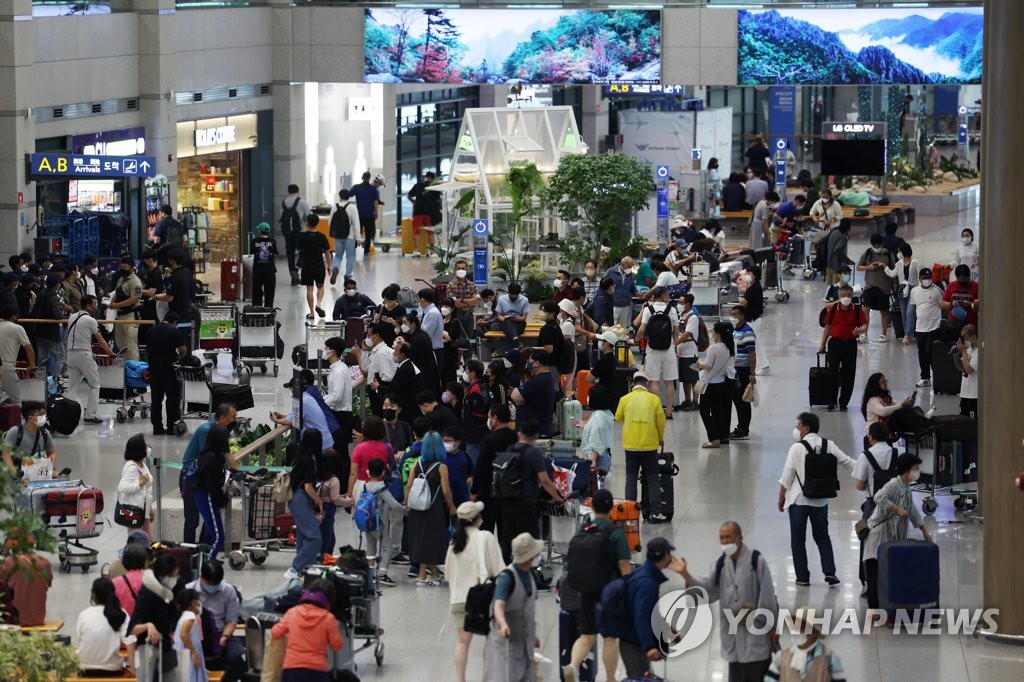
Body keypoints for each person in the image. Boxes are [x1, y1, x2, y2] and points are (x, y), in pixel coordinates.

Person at [680, 521, 778, 682]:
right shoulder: (720, 564)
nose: (725, 541)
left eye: (728, 537)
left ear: (740, 537)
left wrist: (770, 626)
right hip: (732, 635)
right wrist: (686, 575)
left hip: (756, 634)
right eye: (722, 538)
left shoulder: (756, 561)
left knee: (757, 674)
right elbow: (707, 588)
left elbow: (767, 594)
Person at [778, 412, 855, 587]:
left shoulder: (796, 448)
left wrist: (781, 497)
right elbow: (847, 461)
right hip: (821, 501)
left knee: (798, 540)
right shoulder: (829, 445)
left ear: (806, 427)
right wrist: (868, 466)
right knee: (822, 537)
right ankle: (830, 572)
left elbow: (787, 476)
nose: (796, 429)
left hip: (799, 501)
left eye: (798, 425)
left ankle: (802, 577)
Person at [562, 489, 631, 682]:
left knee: (587, 636)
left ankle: (572, 666)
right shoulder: (615, 532)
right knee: (610, 637)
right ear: (611, 507)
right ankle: (610, 679)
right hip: (610, 593)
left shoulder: (582, 530)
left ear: (592, 506)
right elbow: (624, 564)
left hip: (586, 591)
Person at [862, 454, 933, 616]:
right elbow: (878, 496)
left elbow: (912, 509)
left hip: (890, 537)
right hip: (878, 534)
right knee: (874, 571)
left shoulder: (906, 487)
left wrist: (924, 530)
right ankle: (873, 608)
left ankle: (885, 605)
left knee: (885, 571)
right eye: (915, 468)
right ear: (907, 470)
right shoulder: (894, 484)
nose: (917, 472)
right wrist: (896, 509)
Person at [606, 537, 687, 680]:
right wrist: (649, 647)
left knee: (643, 677)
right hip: (634, 642)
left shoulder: (643, 572)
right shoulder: (647, 583)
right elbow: (641, 617)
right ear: (665, 555)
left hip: (634, 638)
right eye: (669, 553)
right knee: (639, 678)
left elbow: (652, 613)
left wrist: (667, 629)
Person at [444, 501, 504, 682]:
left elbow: (447, 574)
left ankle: (461, 679)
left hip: (458, 599)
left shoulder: (454, 543)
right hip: (481, 598)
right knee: (490, 641)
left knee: (462, 642)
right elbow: (499, 571)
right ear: (476, 519)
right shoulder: (486, 537)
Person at [495, 419, 566, 561]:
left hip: (506, 497)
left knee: (507, 536)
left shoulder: (510, 448)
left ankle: (503, 565)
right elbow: (544, 480)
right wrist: (557, 497)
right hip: (525, 500)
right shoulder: (534, 452)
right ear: (536, 435)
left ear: (519, 433)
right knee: (530, 537)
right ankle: (531, 568)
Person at [484, 533, 543, 682]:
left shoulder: (529, 574)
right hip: (506, 644)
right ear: (529, 556)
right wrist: (503, 625)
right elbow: (498, 605)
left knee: (526, 675)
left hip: (524, 640)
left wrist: (532, 635)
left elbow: (527, 608)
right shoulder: (507, 577)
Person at [178, 403, 237, 543]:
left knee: (211, 515)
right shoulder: (206, 430)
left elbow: (227, 454)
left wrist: (237, 472)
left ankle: (204, 547)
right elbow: (209, 459)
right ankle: (189, 549)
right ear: (223, 418)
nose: (235, 420)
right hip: (192, 476)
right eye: (233, 417)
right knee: (192, 519)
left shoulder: (220, 430)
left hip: (205, 475)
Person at [405, 431, 457, 586]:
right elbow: (446, 491)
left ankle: (433, 574)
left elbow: (408, 485)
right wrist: (452, 506)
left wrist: (407, 503)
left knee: (421, 537)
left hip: (417, 507)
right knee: (431, 540)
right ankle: (422, 576)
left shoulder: (417, 463)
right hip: (433, 508)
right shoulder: (442, 467)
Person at [852, 422, 898, 591]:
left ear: (870, 437)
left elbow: (859, 485)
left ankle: (867, 583)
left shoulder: (866, 456)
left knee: (868, 543)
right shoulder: (896, 453)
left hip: (872, 505)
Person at [615, 372, 667, 522]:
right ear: (647, 384)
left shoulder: (624, 399)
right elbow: (661, 422)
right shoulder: (654, 400)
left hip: (630, 445)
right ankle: (655, 513)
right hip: (650, 446)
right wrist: (660, 438)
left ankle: (630, 512)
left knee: (631, 478)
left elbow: (618, 418)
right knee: (652, 479)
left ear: (633, 384)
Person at [270, 579, 344, 682]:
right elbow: (337, 645)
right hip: (317, 670)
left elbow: (275, 633)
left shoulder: (292, 613)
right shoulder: (328, 618)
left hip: (292, 669)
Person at [126, 552, 180, 679]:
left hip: (166, 649)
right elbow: (132, 628)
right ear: (163, 575)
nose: (176, 578)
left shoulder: (168, 591)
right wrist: (148, 626)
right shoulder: (147, 594)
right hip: (148, 650)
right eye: (173, 575)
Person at [64, 295, 114, 424]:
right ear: (87, 305)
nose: (96, 305)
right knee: (95, 384)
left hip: (70, 354)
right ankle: (90, 414)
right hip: (84, 355)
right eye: (94, 303)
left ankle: (67, 413)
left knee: (71, 385)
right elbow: (101, 340)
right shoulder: (90, 320)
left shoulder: (72, 317)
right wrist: (110, 353)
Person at [284, 430, 327, 581]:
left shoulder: (298, 457)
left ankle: (304, 567)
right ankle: (296, 567)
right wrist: (318, 500)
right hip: (302, 499)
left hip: (295, 499)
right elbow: (308, 487)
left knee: (303, 535)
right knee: (315, 537)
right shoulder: (309, 461)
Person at [818, 285, 867, 411]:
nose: (846, 297)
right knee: (832, 373)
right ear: (839, 296)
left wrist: (860, 330)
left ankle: (844, 402)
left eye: (849, 295)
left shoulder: (856, 309)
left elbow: (865, 325)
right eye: (843, 295)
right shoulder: (834, 309)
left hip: (850, 344)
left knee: (849, 374)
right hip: (834, 344)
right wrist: (822, 344)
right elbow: (827, 327)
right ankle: (831, 401)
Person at [764, 608, 847, 682]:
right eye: (795, 626)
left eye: (803, 627)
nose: (797, 631)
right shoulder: (781, 657)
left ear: (815, 631)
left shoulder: (831, 659)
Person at [472, 404, 517, 534]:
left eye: (489, 417)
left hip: (489, 490)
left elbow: (481, 467)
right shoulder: (515, 437)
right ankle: (505, 554)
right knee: (506, 532)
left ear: (495, 418)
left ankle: (487, 554)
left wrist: (475, 490)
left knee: (486, 531)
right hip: (510, 490)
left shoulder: (489, 440)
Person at [359, 457, 403, 586]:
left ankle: (370, 575)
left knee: (371, 549)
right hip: (379, 523)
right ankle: (382, 574)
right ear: (383, 473)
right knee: (388, 548)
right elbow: (394, 505)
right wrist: (406, 511)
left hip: (367, 522)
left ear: (368, 472)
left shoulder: (365, 487)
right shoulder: (382, 489)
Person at [75, 577, 131, 677]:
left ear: (93, 594)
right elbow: (130, 641)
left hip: (85, 669)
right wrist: (133, 668)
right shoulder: (120, 613)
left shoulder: (84, 614)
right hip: (112, 669)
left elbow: (80, 642)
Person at [637, 288, 678, 418]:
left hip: (652, 349)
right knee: (669, 382)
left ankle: (658, 410)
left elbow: (642, 329)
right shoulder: (672, 310)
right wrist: (674, 346)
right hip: (668, 349)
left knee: (654, 381)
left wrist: (637, 339)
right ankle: (669, 411)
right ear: (664, 296)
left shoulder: (648, 310)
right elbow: (676, 332)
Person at [272, 369, 336, 452]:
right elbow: (299, 416)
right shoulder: (307, 397)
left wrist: (276, 420)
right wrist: (282, 416)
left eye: (291, 388)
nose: (290, 391)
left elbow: (291, 421)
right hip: (324, 440)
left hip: (320, 444)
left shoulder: (301, 401)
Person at [194, 424, 231, 560]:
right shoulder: (212, 459)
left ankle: (205, 561)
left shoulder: (209, 455)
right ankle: (206, 565)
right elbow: (212, 485)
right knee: (218, 536)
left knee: (211, 534)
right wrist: (222, 501)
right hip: (207, 497)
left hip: (206, 496)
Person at [698, 321, 736, 448]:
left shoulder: (713, 348)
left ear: (718, 333)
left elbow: (708, 366)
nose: (711, 332)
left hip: (709, 383)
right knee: (716, 411)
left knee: (704, 411)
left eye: (712, 330)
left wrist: (699, 364)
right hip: (720, 382)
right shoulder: (728, 347)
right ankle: (718, 436)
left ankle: (713, 438)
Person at [2, 400, 57, 479]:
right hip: (20, 474)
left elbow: (52, 453)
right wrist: (14, 473)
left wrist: (50, 469)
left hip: (39, 474)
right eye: (40, 414)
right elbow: (6, 454)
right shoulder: (15, 432)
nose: (44, 417)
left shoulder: (45, 433)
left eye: (44, 414)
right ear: (30, 418)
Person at [855, 234, 895, 342]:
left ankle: (883, 334)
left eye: (878, 245)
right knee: (865, 309)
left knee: (884, 312)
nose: (876, 247)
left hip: (884, 287)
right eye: (874, 245)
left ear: (882, 244)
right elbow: (858, 267)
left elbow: (893, 271)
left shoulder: (888, 254)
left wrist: (894, 286)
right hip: (869, 286)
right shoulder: (868, 253)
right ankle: (864, 333)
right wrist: (868, 267)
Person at [510, 350, 558, 438]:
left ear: (536, 363)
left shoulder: (539, 381)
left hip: (534, 434)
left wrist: (520, 399)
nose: (527, 363)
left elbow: (514, 395)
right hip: (535, 431)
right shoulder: (544, 378)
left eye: (529, 361)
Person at [909, 268, 944, 389]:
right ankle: (925, 378)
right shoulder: (914, 291)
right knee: (922, 353)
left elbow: (942, 305)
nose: (927, 280)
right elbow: (914, 306)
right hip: (920, 328)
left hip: (934, 327)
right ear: (919, 279)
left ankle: (939, 377)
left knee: (931, 352)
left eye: (929, 278)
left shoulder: (936, 291)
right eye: (925, 278)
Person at [118, 434, 156, 539]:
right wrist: (139, 484)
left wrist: (150, 510)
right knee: (139, 542)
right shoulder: (132, 467)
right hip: (134, 512)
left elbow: (146, 491)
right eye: (145, 446)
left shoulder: (142, 465)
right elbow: (122, 487)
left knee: (148, 540)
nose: (148, 447)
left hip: (143, 512)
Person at [0, 550, 52, 627]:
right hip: (38, 619)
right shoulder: (45, 562)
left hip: (14, 620)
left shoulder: (9, 562)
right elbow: (48, 583)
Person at [317, 449, 353, 557]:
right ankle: (324, 559)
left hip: (320, 508)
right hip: (328, 509)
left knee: (327, 535)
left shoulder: (321, 477)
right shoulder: (334, 480)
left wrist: (343, 496)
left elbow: (328, 494)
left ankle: (324, 556)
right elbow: (335, 499)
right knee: (327, 538)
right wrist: (350, 501)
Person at [729, 306, 757, 441]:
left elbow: (752, 354)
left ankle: (743, 429)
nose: (732, 317)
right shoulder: (735, 330)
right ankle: (740, 426)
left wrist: (752, 372)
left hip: (743, 370)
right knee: (737, 399)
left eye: (734, 315)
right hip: (735, 369)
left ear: (742, 316)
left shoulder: (747, 332)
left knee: (742, 401)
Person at [861, 373, 914, 445]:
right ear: (875, 384)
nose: (885, 383)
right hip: (872, 437)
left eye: (886, 381)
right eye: (883, 382)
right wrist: (901, 405)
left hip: (884, 435)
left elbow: (896, 406)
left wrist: (906, 404)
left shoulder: (886, 398)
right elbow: (883, 411)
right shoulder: (872, 400)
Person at [107, 256, 144, 360]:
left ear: (132, 268)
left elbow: (135, 298)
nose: (123, 268)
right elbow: (117, 293)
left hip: (130, 316)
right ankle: (124, 366)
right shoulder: (121, 279)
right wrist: (111, 305)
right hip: (120, 315)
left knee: (131, 345)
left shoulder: (136, 281)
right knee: (120, 344)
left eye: (125, 267)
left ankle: (134, 368)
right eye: (121, 266)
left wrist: (116, 305)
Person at [296, 214, 331, 319]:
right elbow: (327, 252)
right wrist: (329, 265)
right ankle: (318, 304)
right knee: (320, 286)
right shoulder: (322, 236)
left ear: (307, 223)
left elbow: (298, 250)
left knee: (309, 289)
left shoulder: (302, 236)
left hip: (307, 266)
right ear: (317, 223)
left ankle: (311, 313)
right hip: (319, 266)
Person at [32, 273, 66, 380]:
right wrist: (64, 316)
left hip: (40, 331)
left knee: (42, 357)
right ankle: (53, 382)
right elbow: (57, 315)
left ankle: (39, 381)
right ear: (57, 284)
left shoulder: (40, 294)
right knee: (60, 357)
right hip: (51, 332)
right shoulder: (54, 297)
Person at [886, 242, 920, 345]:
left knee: (910, 312)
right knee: (904, 313)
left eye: (899, 251)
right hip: (902, 289)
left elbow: (920, 277)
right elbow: (892, 274)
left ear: (904, 252)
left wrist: (919, 290)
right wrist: (885, 267)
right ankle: (907, 333)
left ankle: (907, 335)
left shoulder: (916, 263)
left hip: (913, 289)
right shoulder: (899, 263)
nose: (898, 253)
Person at [673, 294, 703, 411]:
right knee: (685, 378)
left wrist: (673, 344)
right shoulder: (681, 315)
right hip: (682, 353)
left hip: (691, 353)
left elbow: (686, 334)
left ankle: (696, 402)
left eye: (681, 302)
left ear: (688, 304)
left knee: (693, 379)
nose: (679, 304)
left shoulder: (693, 317)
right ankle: (687, 400)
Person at [347, 415, 391, 495]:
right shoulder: (387, 447)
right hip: (380, 486)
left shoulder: (359, 448)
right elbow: (392, 468)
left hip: (361, 486)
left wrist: (349, 493)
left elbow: (353, 473)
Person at [402, 312, 440, 397]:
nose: (402, 325)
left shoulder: (416, 339)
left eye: (405, 323)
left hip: (424, 374)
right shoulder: (422, 334)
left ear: (413, 324)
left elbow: (412, 359)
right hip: (430, 371)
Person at [579, 385, 614, 477]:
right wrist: (586, 426)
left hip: (597, 458)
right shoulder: (605, 413)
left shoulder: (598, 416)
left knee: (595, 486)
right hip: (603, 455)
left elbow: (596, 441)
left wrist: (593, 461)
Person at [173, 589, 208, 682]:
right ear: (193, 603)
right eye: (199, 600)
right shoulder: (190, 616)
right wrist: (194, 653)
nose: (201, 603)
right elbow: (183, 634)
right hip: (188, 655)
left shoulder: (185, 615)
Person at [279, 184, 309, 285]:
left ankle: (293, 277)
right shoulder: (302, 202)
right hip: (300, 232)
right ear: (298, 190)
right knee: (304, 253)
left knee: (290, 254)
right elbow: (308, 217)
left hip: (287, 232)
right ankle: (296, 270)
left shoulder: (284, 202)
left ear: (288, 191)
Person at [153, 249, 194, 322]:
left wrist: (157, 297)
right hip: (187, 310)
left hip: (177, 313)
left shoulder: (174, 276)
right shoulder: (187, 271)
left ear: (172, 261)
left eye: (168, 259)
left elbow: (169, 297)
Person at [408, 171, 442, 256]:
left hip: (418, 212)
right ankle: (432, 251)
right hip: (429, 213)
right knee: (430, 232)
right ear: (433, 179)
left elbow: (409, 195)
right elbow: (438, 201)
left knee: (416, 231)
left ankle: (417, 251)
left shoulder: (418, 185)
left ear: (426, 177)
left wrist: (414, 202)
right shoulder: (435, 188)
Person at [329, 189, 359, 284]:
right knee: (350, 256)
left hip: (338, 236)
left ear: (340, 196)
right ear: (349, 197)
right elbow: (356, 224)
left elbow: (330, 222)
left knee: (338, 256)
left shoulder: (335, 206)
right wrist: (358, 238)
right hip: (349, 237)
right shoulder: (352, 207)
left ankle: (335, 269)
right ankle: (348, 276)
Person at [351, 171, 384, 257]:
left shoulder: (356, 187)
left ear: (362, 177)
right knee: (369, 234)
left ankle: (353, 250)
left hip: (359, 215)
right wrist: (376, 213)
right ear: (369, 178)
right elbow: (376, 202)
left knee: (357, 232)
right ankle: (366, 252)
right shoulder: (374, 190)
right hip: (370, 215)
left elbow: (348, 194)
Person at [112, 541, 148, 616]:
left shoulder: (115, 583)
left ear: (124, 561)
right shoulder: (151, 581)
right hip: (146, 624)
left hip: (123, 624)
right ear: (144, 561)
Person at [389, 343, 423, 421]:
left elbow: (394, 387)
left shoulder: (406, 369)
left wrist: (378, 387)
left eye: (396, 351)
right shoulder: (406, 365)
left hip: (407, 408)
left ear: (402, 355)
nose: (393, 353)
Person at [250, 222, 279, 308]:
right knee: (269, 293)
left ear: (259, 231)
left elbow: (251, 252)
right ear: (268, 231)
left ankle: (256, 310)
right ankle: (268, 311)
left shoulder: (255, 241)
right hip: (270, 271)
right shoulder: (272, 241)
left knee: (256, 293)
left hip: (257, 271)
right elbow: (275, 253)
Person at [605, 257, 637, 327]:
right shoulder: (611, 271)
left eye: (631, 266)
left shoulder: (629, 274)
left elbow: (633, 288)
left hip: (625, 305)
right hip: (613, 305)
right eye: (629, 266)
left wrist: (638, 294)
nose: (630, 268)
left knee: (622, 328)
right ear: (623, 264)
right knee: (612, 327)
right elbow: (603, 286)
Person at [957, 324, 979, 419]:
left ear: (973, 337)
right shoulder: (968, 350)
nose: (963, 341)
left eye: (965, 338)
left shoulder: (979, 352)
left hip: (974, 395)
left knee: (972, 423)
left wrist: (963, 352)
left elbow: (969, 369)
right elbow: (961, 367)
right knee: (964, 422)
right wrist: (956, 355)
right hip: (965, 392)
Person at [824, 219, 852, 286]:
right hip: (838, 267)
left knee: (830, 288)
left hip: (829, 264)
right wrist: (848, 260)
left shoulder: (834, 232)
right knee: (838, 288)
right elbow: (838, 251)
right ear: (848, 228)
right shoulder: (843, 237)